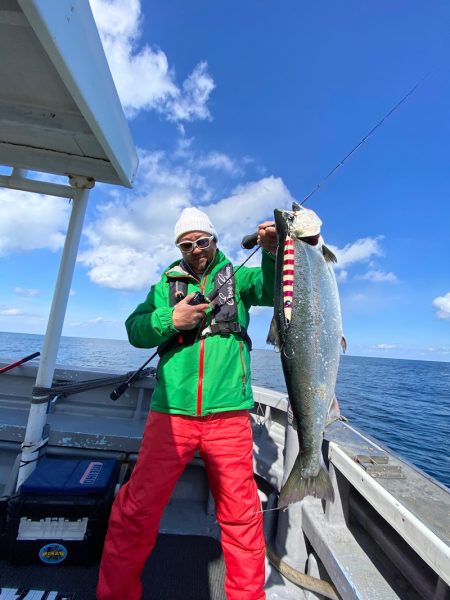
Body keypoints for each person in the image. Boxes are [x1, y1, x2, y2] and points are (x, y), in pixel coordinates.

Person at [97, 207, 277, 600]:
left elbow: (273, 288)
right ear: (178, 247)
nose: (196, 249)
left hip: (229, 415)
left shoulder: (239, 278)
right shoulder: (164, 285)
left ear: (214, 240)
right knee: (136, 510)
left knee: (241, 516)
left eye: (202, 241)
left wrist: (272, 251)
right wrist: (171, 319)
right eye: (186, 244)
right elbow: (135, 330)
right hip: (170, 416)